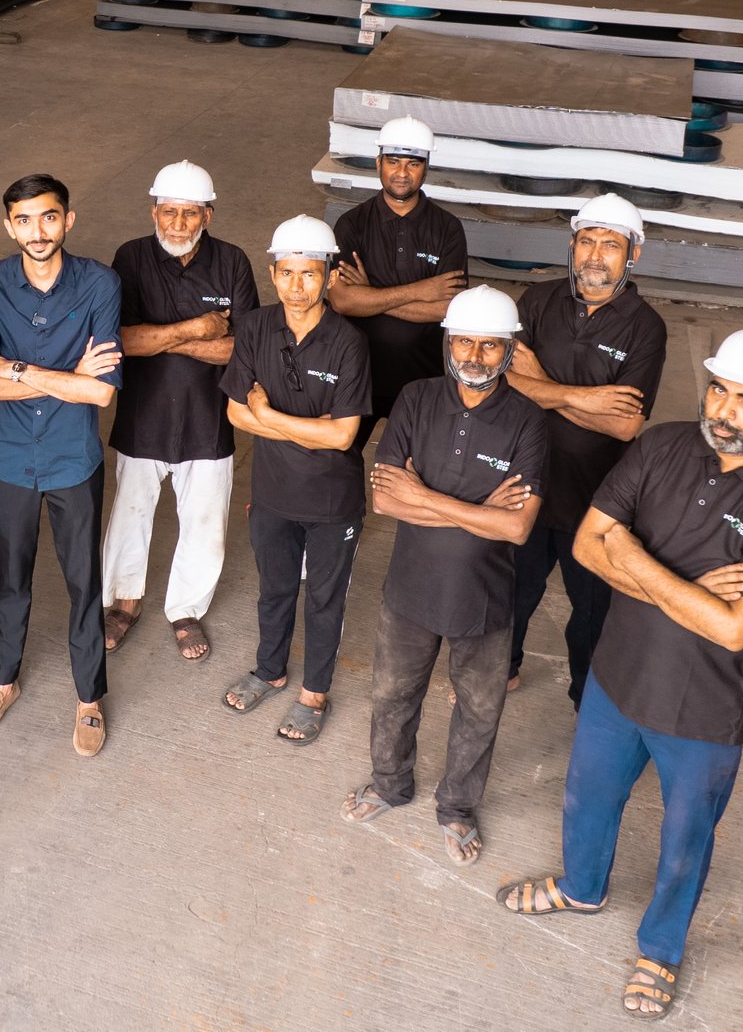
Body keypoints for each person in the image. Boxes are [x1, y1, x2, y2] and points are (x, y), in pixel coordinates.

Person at [499, 328, 743, 1022]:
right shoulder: (662, 446)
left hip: (703, 706)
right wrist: (690, 587)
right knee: (587, 796)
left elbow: (736, 628)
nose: (725, 410)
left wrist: (639, 561)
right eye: (719, 389)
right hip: (619, 675)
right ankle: (582, 887)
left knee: (684, 839)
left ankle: (661, 949)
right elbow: (588, 544)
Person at [342, 286, 549, 867]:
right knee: (390, 694)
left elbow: (517, 530)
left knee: (479, 710)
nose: (475, 356)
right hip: (409, 589)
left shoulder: (529, 423)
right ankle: (389, 784)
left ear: (510, 350)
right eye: (464, 341)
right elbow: (385, 501)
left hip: (484, 600)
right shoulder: (414, 399)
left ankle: (457, 807)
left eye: (490, 345)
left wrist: (427, 496)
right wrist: (480, 509)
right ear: (447, 342)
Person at [0, 174, 123, 756]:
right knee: (12, 578)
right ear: (9, 226)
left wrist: (18, 370)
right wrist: (67, 379)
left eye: (49, 217)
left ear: (68, 220)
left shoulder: (100, 284)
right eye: (24, 220)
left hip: (73, 460)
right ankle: (3, 681)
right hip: (8, 459)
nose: (38, 231)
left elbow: (102, 395)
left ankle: (88, 699)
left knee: (84, 583)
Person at [504, 194, 666, 702]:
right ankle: (500, 671)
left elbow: (623, 427)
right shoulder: (536, 301)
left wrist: (542, 387)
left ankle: (585, 697)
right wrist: (584, 397)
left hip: (597, 498)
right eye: (587, 241)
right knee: (512, 593)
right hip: (524, 480)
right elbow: (501, 380)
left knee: (592, 609)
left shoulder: (645, 328)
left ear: (633, 254)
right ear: (572, 246)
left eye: (611, 245)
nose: (596, 255)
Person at [219, 215, 372, 747]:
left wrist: (270, 414)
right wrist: (300, 428)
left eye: (309, 274)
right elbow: (237, 414)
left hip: (333, 501)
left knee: (325, 598)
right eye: (287, 273)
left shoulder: (350, 343)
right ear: (273, 273)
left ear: (329, 276)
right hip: (273, 494)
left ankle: (314, 694)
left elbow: (343, 437)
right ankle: (269, 670)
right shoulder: (257, 327)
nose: (297, 286)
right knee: (275, 589)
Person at [101, 160, 256, 663]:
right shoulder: (131, 257)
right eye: (169, 212)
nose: (178, 225)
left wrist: (162, 337)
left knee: (206, 521)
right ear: (154, 211)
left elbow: (242, 350)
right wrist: (198, 329)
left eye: (190, 214)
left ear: (207, 216)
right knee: (129, 514)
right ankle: (123, 603)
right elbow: (122, 341)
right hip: (143, 415)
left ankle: (185, 609)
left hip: (208, 418)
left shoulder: (232, 261)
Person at [328, 116, 468, 432]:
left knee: (409, 472)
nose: (402, 173)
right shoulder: (352, 224)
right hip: (355, 372)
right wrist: (421, 289)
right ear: (378, 162)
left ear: (426, 166)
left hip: (421, 377)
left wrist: (369, 294)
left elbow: (449, 308)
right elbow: (341, 302)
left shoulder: (447, 229)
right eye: (393, 161)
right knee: (341, 464)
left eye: (413, 163)